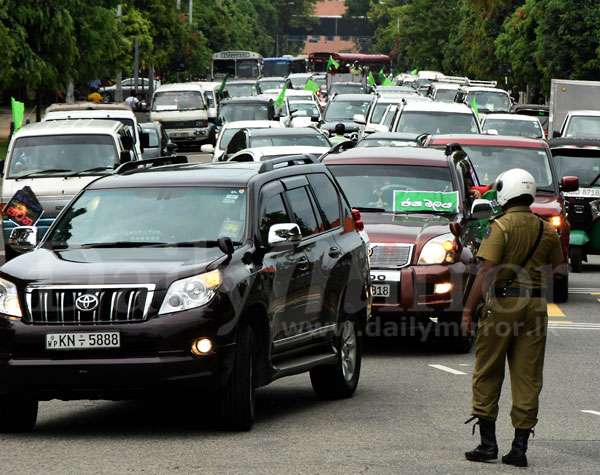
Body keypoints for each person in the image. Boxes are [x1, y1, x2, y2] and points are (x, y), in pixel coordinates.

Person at [462, 168, 564, 468]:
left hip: (502, 305)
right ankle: (519, 448)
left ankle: (488, 444)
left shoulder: (501, 227)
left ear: (505, 192)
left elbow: (486, 271)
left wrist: (468, 309)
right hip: (534, 307)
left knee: (488, 370)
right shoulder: (546, 228)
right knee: (528, 376)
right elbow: (558, 266)